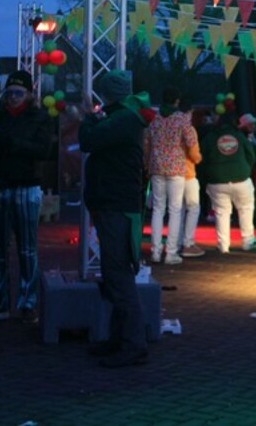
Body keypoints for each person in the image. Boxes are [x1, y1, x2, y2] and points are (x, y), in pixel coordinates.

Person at [80, 70, 151, 367]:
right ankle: (119, 338)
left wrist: (88, 116)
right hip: (115, 204)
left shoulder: (124, 120)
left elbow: (88, 140)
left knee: (119, 274)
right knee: (114, 273)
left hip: (116, 206)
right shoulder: (126, 117)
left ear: (108, 93)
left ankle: (133, 344)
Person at [0, 70, 53, 324]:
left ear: (28, 94)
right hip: (1, 185)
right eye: (10, 92)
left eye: (18, 93)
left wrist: (10, 143)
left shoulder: (39, 117)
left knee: (27, 248)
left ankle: (27, 302)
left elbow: (44, 150)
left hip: (26, 184)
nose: (13, 97)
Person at [145, 87, 198, 265]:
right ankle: (171, 253)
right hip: (176, 168)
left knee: (158, 209)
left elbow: (147, 142)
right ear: (177, 101)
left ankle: (155, 251)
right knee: (175, 210)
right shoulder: (182, 119)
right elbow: (191, 142)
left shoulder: (154, 119)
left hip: (156, 167)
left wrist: (147, 163)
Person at [199, 111, 256, 253]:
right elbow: (251, 155)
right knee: (245, 209)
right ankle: (247, 241)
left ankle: (223, 245)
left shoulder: (210, 138)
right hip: (241, 179)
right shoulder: (240, 136)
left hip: (217, 181)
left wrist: (208, 175)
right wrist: (245, 169)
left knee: (221, 213)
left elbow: (202, 159)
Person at [178, 101, 204, 259]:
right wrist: (199, 158)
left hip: (172, 174)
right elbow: (194, 153)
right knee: (193, 207)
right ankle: (188, 243)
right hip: (187, 173)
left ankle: (176, 243)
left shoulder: (168, 125)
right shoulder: (189, 128)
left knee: (177, 210)